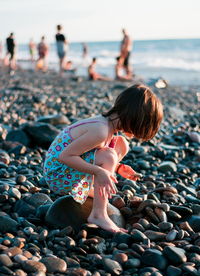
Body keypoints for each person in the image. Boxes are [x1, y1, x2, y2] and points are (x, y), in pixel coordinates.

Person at [43, 84, 163, 233]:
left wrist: (118, 167)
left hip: (68, 169)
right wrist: (100, 171)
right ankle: (98, 214)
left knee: (121, 144)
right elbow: (65, 157)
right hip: (57, 176)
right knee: (109, 156)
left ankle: (95, 190)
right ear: (134, 117)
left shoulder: (108, 127)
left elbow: (87, 154)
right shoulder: (100, 130)